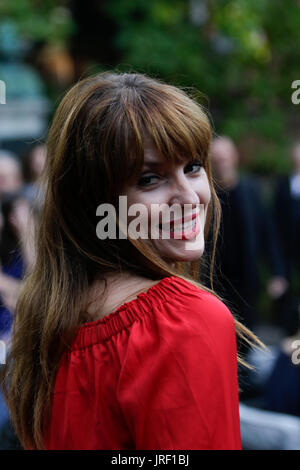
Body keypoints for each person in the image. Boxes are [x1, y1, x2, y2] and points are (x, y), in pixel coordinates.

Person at [0, 72, 264, 451]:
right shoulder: (181, 321)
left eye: (192, 167)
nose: (189, 198)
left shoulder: (45, 319)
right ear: (96, 204)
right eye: (150, 179)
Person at [209, 136, 288, 333]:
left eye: (225, 158)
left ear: (234, 157)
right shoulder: (207, 197)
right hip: (217, 283)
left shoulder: (251, 191)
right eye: (216, 159)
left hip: (248, 280)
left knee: (249, 334)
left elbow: (267, 233)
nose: (222, 164)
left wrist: (277, 272)